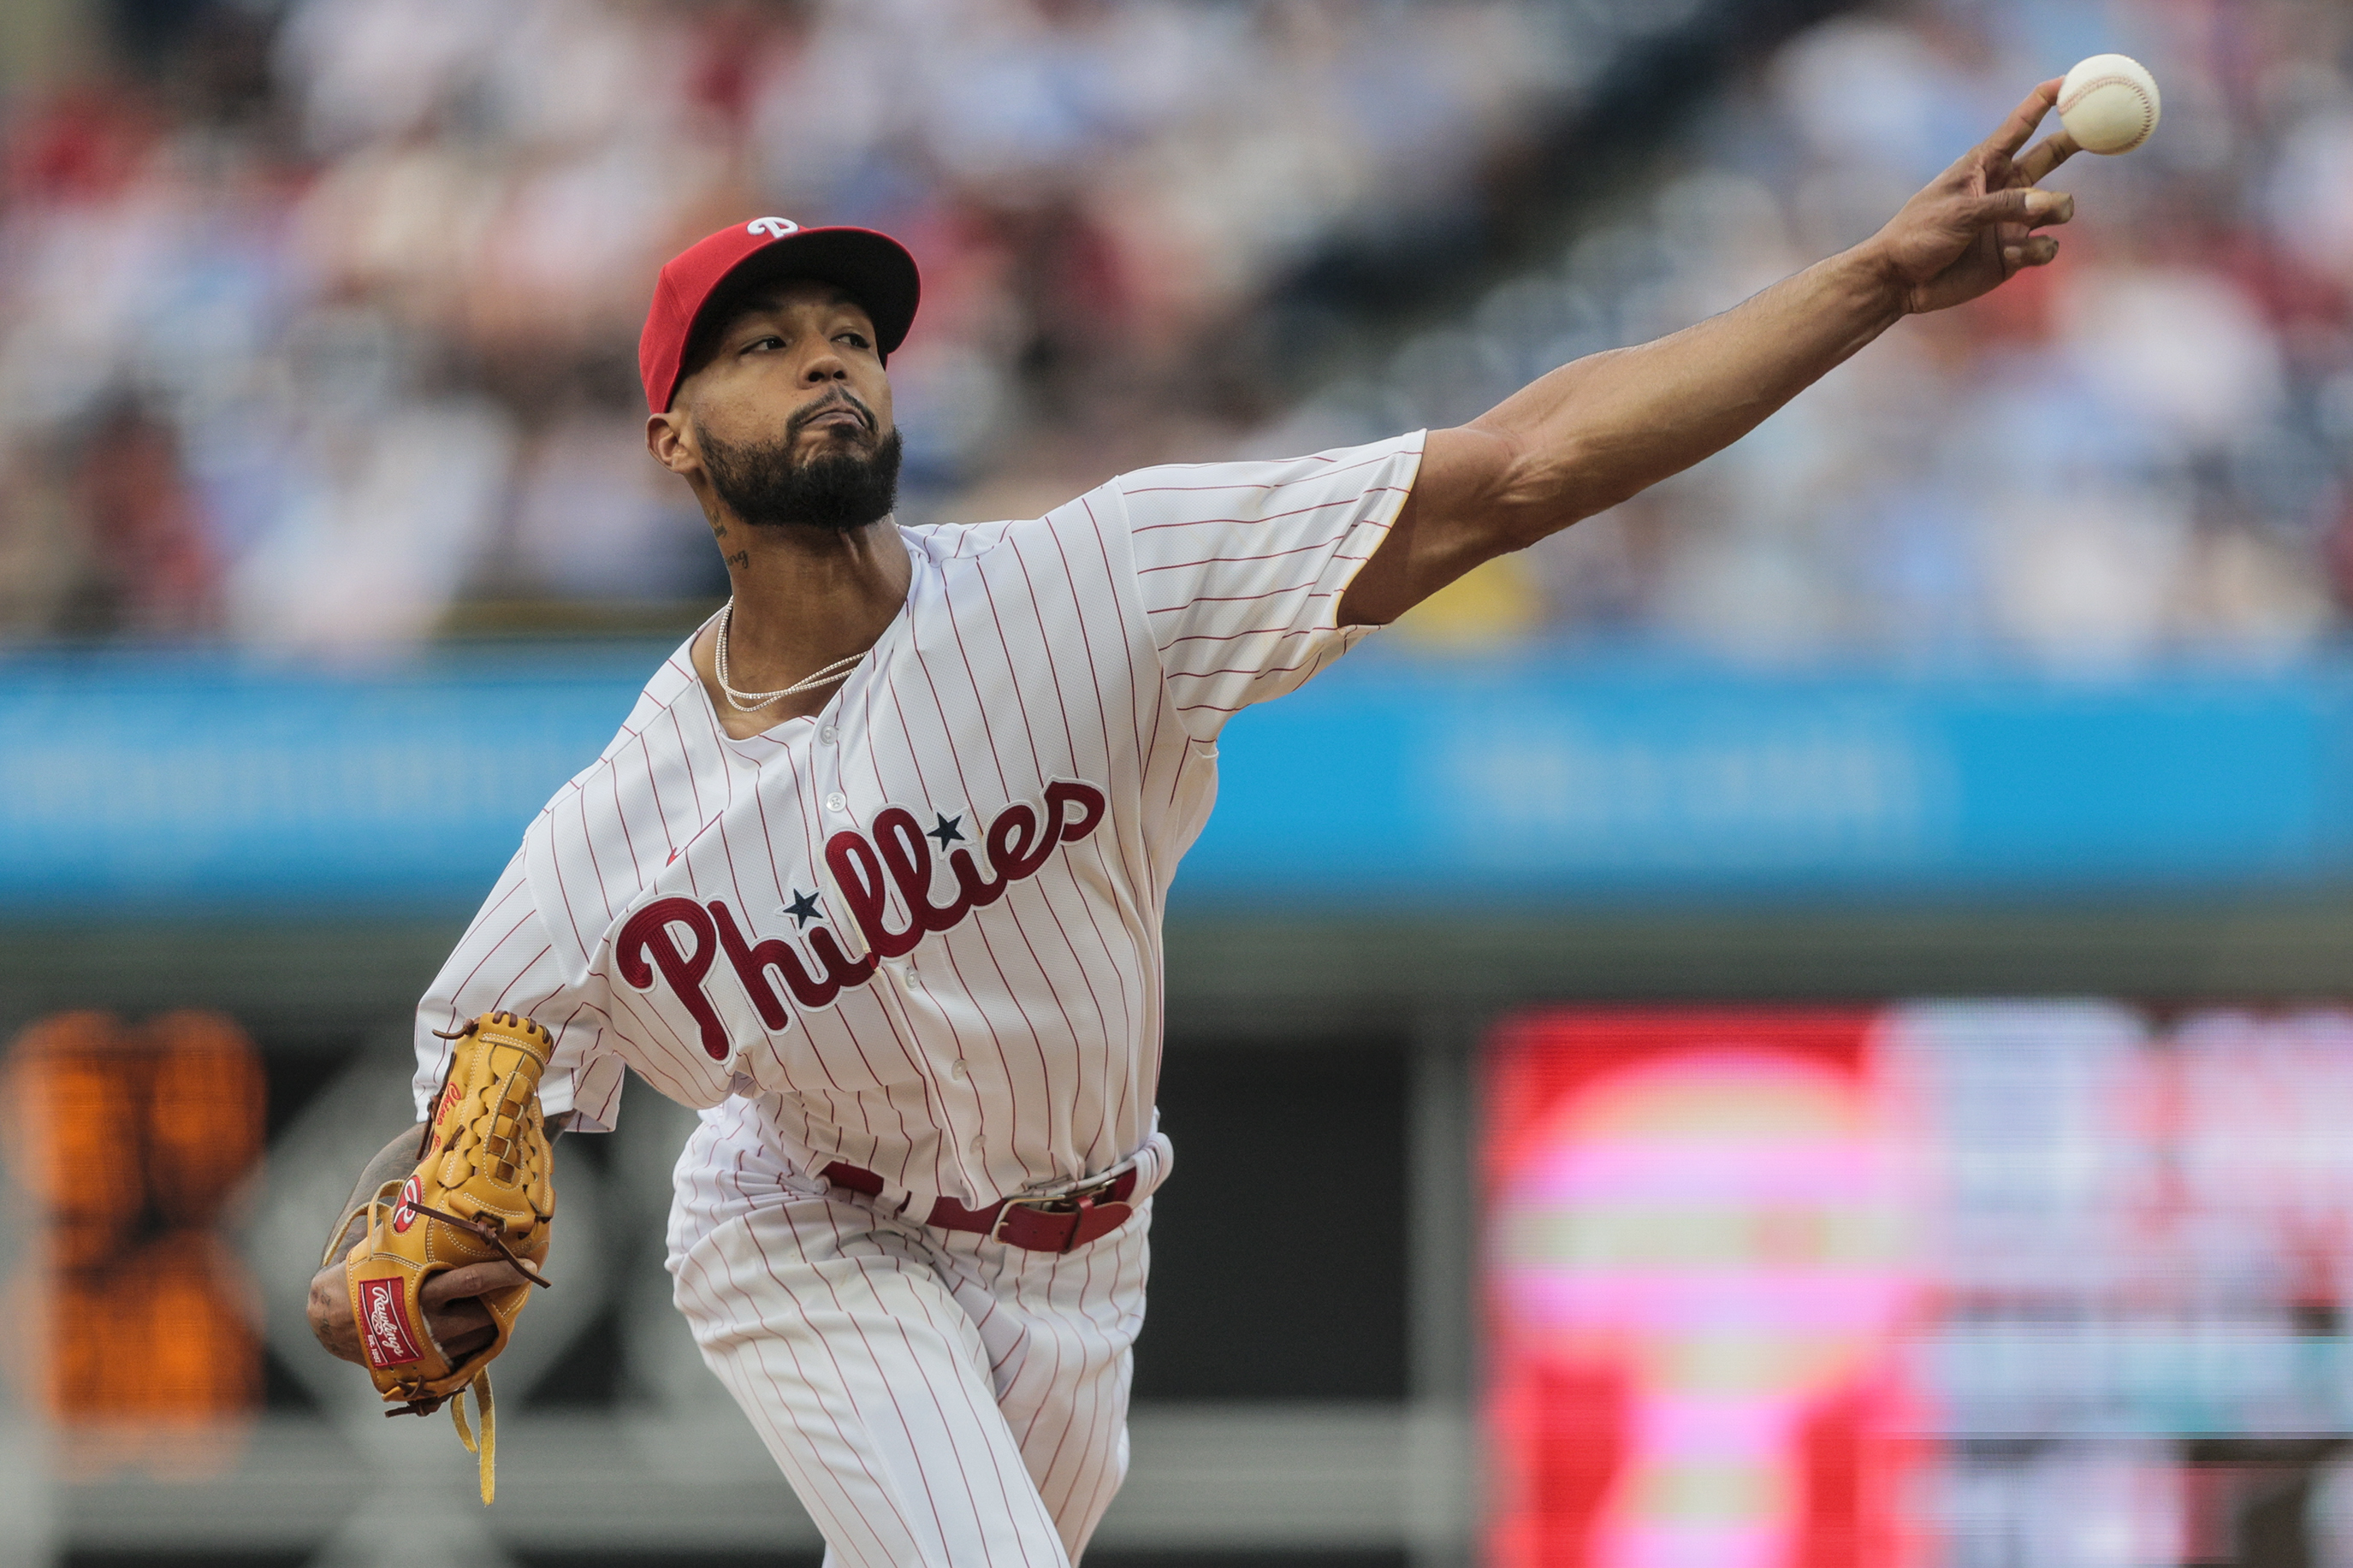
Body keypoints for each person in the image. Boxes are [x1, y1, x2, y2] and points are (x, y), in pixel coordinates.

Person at [310, 80, 2081, 1567]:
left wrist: (1864, 284)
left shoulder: (1103, 585)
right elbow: (448, 1140)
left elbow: (1522, 461)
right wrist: (364, 1295)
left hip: (1089, 1253)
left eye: (851, 333)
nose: (828, 361)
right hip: (808, 1229)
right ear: (673, 438)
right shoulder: (605, 838)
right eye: (764, 347)